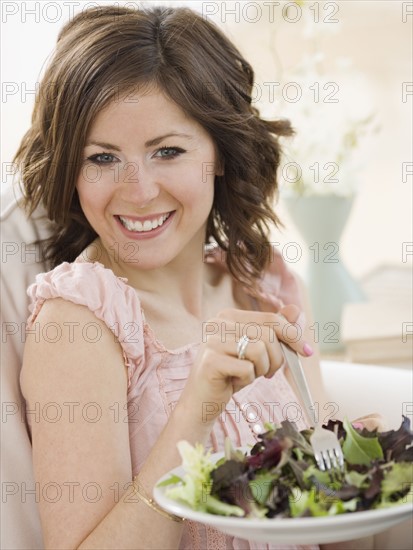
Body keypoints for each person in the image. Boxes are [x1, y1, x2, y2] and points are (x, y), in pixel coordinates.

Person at [16, 5, 381, 550]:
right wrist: (198, 407)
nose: (138, 191)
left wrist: (358, 481)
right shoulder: (79, 324)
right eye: (102, 158)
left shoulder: (266, 287)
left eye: (168, 151)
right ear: (72, 168)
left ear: (219, 154)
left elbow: (331, 534)